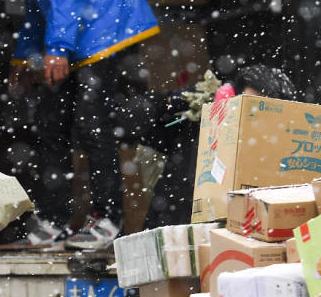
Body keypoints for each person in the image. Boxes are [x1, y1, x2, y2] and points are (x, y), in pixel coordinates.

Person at [8, 0, 159, 250]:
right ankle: (55, 219)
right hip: (69, 21)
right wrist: (26, 55)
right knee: (50, 121)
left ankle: (107, 220)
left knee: (91, 120)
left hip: (101, 19)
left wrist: (57, 46)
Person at [125, 64, 298, 229]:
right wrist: (179, 98)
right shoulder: (198, 126)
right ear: (231, 97)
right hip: (172, 230)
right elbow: (131, 118)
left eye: (264, 110)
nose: (253, 115)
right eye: (248, 105)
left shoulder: (282, 156)